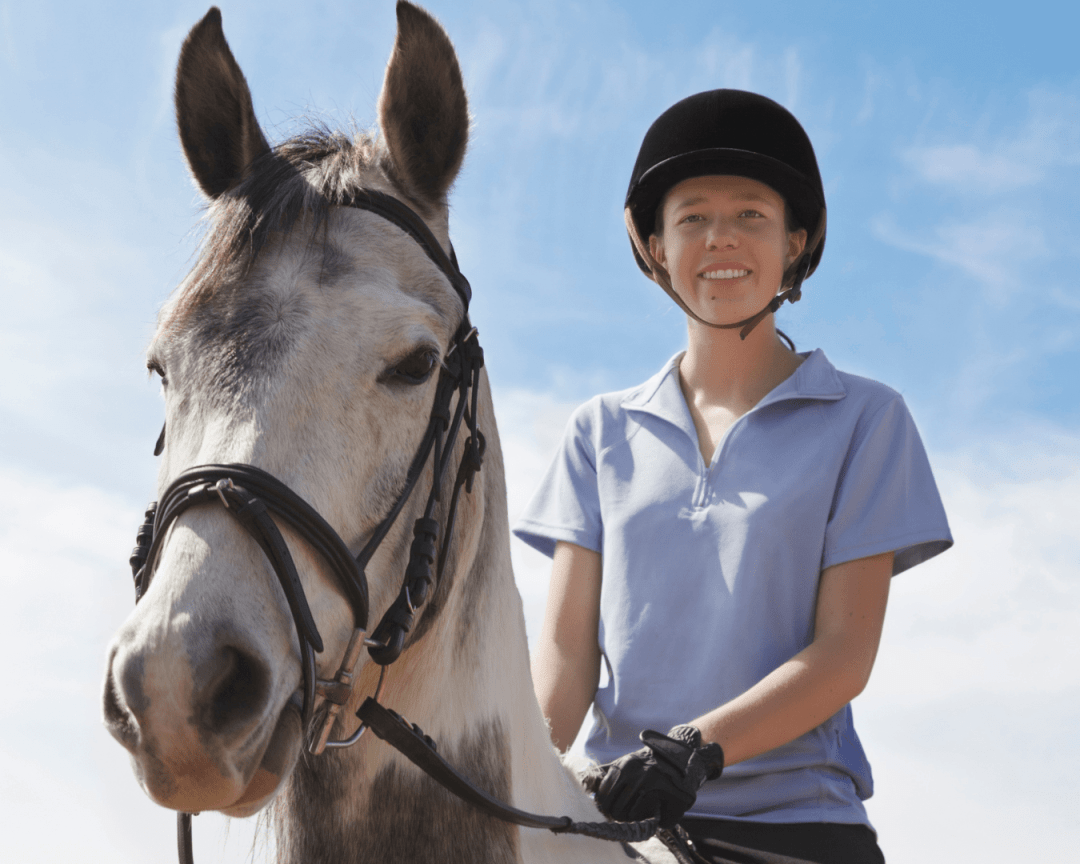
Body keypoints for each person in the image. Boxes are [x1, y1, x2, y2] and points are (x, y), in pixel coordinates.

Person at [513, 90, 953, 864]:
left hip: (796, 829)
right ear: (655, 246)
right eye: (692, 218)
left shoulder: (866, 420)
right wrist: (516, 784)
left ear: (795, 243)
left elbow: (844, 654)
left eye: (751, 215)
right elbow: (567, 663)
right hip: (618, 826)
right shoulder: (599, 433)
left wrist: (692, 751)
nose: (721, 238)